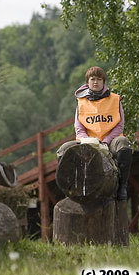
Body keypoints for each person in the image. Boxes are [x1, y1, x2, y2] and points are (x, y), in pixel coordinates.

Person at [57, 66, 133, 200]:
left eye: (99, 79)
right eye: (93, 79)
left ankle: (122, 186)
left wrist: (106, 141)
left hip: (110, 141)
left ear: (103, 82)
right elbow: (79, 127)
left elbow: (120, 125)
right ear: (88, 82)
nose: (96, 82)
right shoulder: (80, 102)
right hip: (87, 141)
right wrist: (87, 141)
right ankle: (69, 188)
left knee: (124, 144)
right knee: (63, 150)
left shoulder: (115, 99)